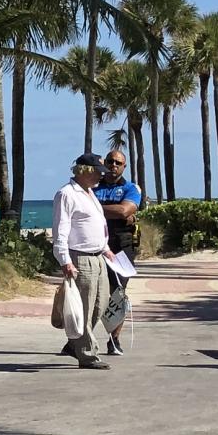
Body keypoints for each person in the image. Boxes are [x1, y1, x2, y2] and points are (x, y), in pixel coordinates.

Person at [50, 153, 113, 369]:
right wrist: (65, 260)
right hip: (80, 257)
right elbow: (61, 230)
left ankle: (74, 343)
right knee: (84, 308)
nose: (100, 177)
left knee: (100, 304)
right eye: (97, 172)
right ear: (85, 171)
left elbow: (95, 226)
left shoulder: (89, 193)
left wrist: (105, 248)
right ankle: (87, 355)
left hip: (98, 257)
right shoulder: (67, 194)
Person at [92, 147, 143, 356]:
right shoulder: (93, 187)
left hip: (123, 246)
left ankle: (114, 340)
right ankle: (81, 339)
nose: (113, 166)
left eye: (118, 163)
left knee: (118, 293)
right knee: (91, 292)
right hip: (95, 244)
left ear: (124, 166)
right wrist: (116, 211)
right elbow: (120, 212)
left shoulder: (132, 188)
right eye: (110, 162)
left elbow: (125, 210)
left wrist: (93, 208)